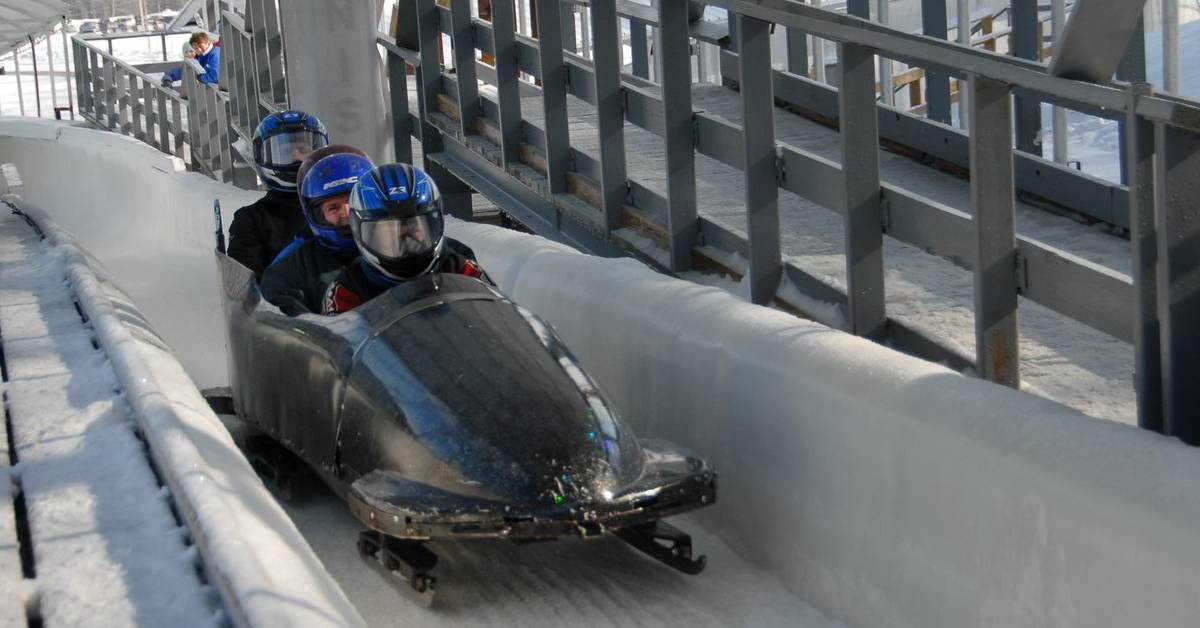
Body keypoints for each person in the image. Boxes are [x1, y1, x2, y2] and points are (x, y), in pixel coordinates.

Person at [322, 163, 491, 315]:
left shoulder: (462, 269)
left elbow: (497, 319)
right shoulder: (347, 292)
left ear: (433, 224)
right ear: (361, 231)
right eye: (389, 231)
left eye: (414, 226)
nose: (403, 239)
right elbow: (341, 345)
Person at [260, 151, 375, 315]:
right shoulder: (288, 272)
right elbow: (283, 326)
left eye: (354, 201)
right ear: (316, 214)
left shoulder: (395, 246)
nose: (347, 213)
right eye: (334, 208)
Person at [226, 110, 330, 278]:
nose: (296, 158)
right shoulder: (250, 219)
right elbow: (245, 285)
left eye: (303, 150)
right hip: (283, 301)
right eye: (285, 151)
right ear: (263, 156)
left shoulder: (338, 204)